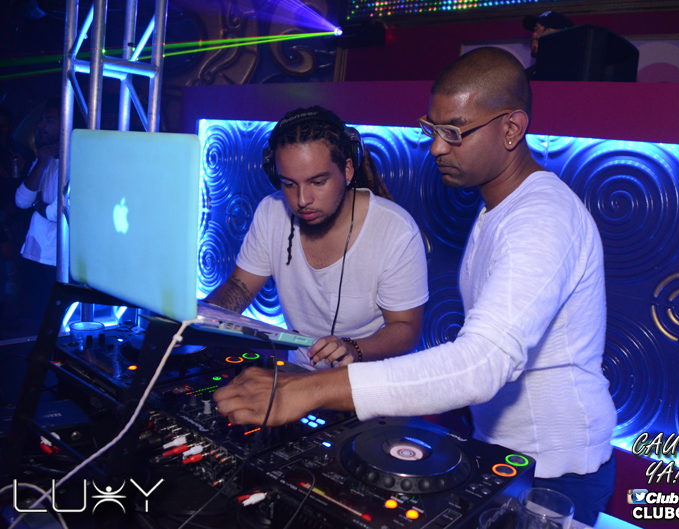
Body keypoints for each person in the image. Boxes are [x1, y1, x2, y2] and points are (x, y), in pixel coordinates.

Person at [214, 49, 617, 525]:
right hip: (506, 455)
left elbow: (482, 364)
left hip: (557, 474)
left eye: (455, 133)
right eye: (432, 130)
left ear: (511, 129)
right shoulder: (502, 208)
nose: (436, 149)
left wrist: (309, 390)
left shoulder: (542, 219)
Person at [205, 106, 428, 369]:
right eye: (289, 184)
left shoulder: (395, 230)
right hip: (299, 376)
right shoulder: (270, 211)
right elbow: (239, 288)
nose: (302, 200)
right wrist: (203, 315)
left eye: (318, 182)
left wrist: (354, 348)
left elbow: (406, 328)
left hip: (370, 382)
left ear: (347, 170)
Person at [14, 97, 61, 326]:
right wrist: (41, 163)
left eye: (48, 120)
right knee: (37, 319)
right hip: (35, 251)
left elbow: (58, 213)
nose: (41, 125)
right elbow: (22, 201)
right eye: (42, 119)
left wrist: (39, 205)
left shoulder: (78, 160)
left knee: (56, 320)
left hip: (59, 256)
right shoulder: (45, 159)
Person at [522, 10, 574, 80]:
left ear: (563, 35)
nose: (535, 35)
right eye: (535, 29)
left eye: (545, 29)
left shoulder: (576, 73)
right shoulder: (525, 77)